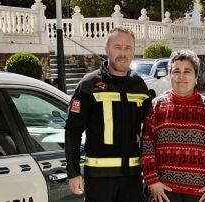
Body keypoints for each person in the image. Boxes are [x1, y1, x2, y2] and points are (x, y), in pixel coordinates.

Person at [65, 26, 151, 202]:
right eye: (117, 47)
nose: (123, 53)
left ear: (134, 52)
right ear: (106, 50)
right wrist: (73, 173)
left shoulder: (139, 85)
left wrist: (153, 174)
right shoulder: (89, 85)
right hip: (99, 180)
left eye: (128, 48)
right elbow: (73, 130)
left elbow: (151, 132)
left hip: (132, 179)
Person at [141, 50, 205, 202]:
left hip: (200, 192)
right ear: (170, 75)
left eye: (187, 71)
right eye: (176, 71)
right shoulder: (156, 106)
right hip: (164, 191)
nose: (181, 76)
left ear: (196, 76)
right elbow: (147, 144)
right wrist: (152, 180)